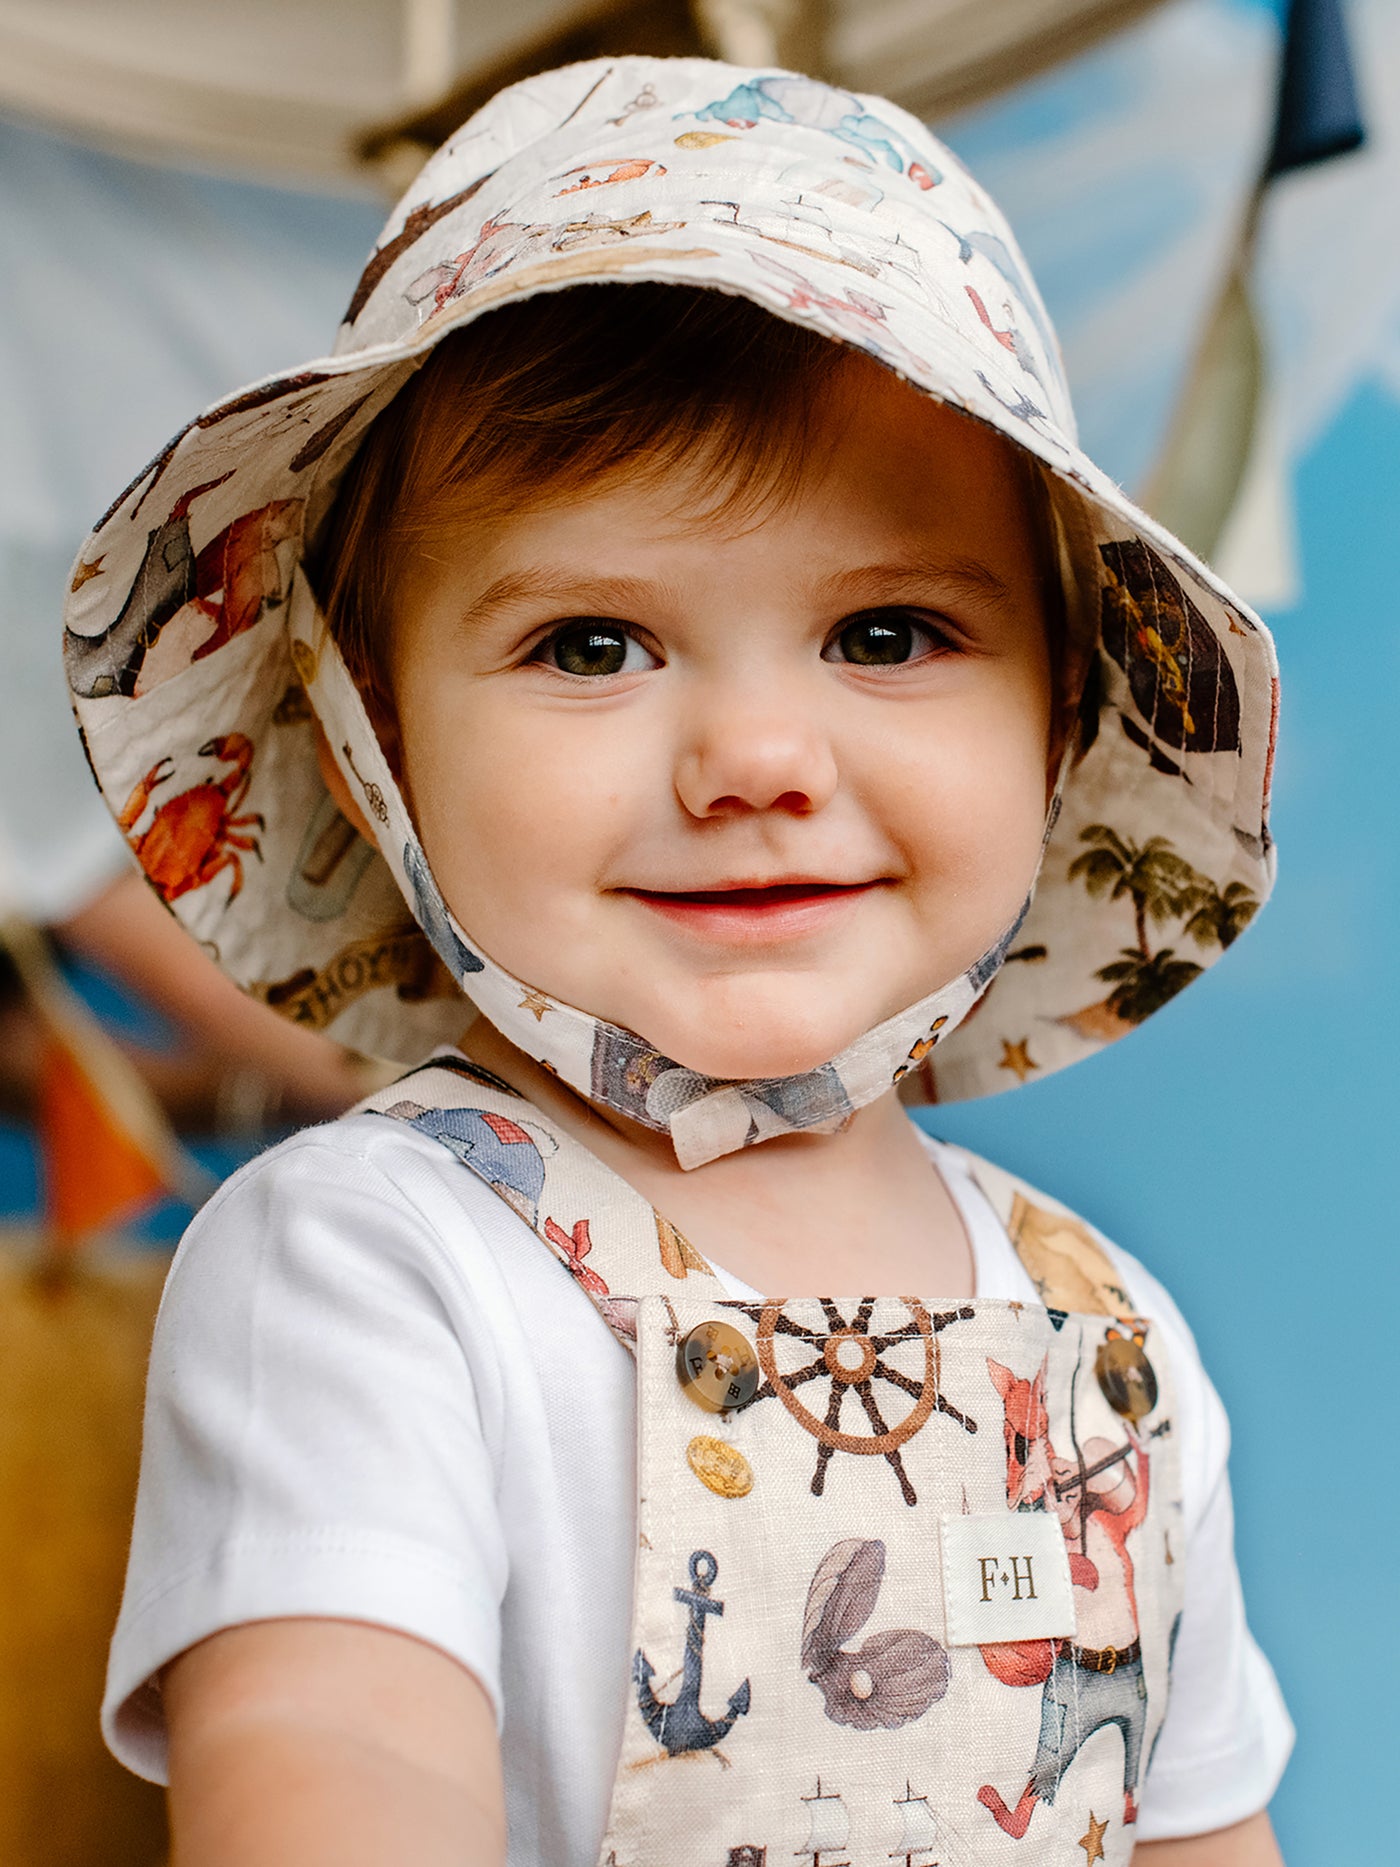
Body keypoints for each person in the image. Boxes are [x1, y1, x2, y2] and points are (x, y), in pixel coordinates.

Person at [69, 58, 1292, 1867]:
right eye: (590, 644)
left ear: (1065, 727)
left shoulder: (1109, 1336)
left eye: (887, 632)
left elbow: (1204, 1837)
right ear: (371, 752)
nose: (754, 761)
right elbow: (337, 1761)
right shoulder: (372, 1265)